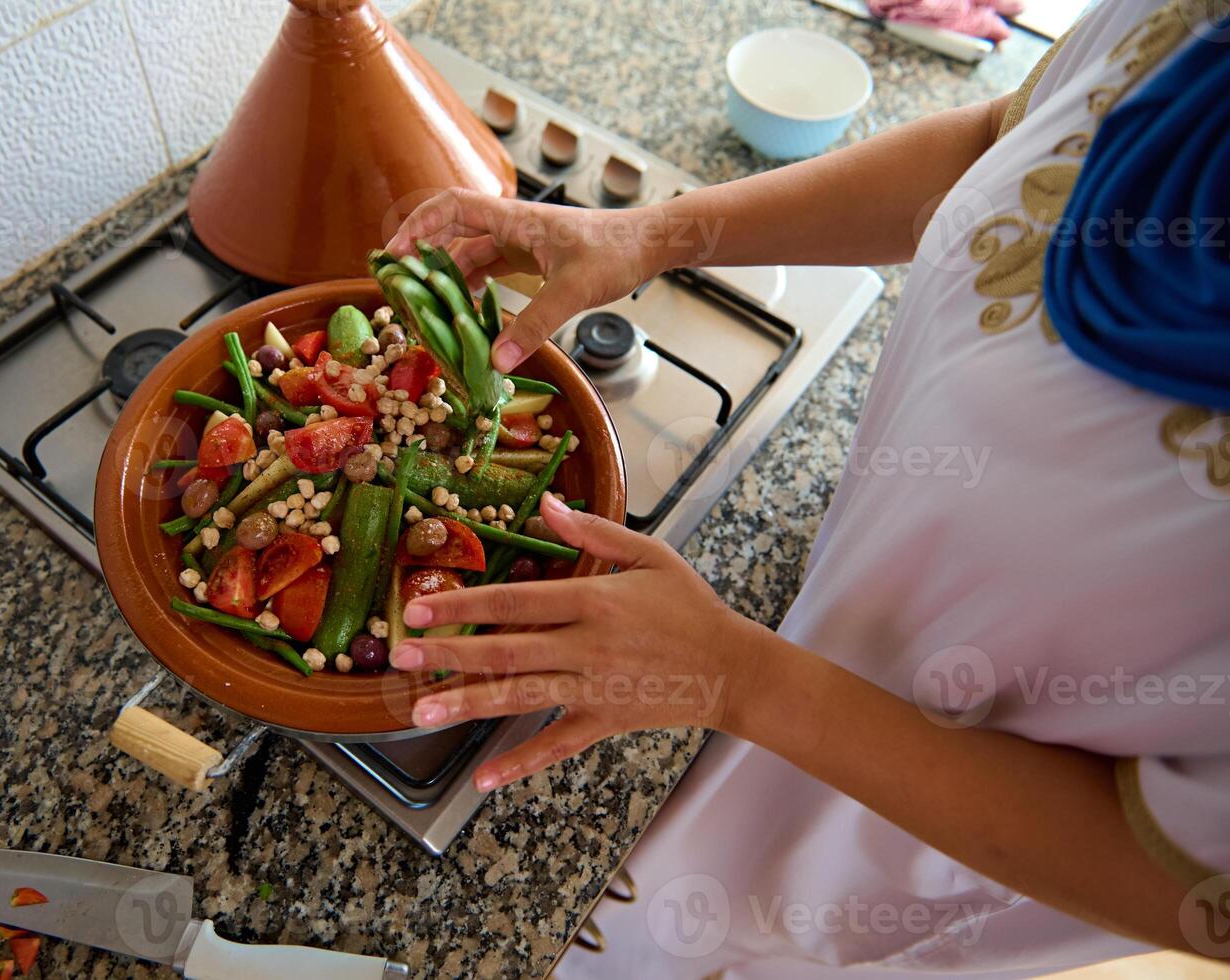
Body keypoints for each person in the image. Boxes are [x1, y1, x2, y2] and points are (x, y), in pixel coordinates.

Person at [383, 0, 1229, 975]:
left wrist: (738, 676)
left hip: (927, 837)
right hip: (855, 592)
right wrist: (654, 233)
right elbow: (1001, 141)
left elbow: (1188, 884)